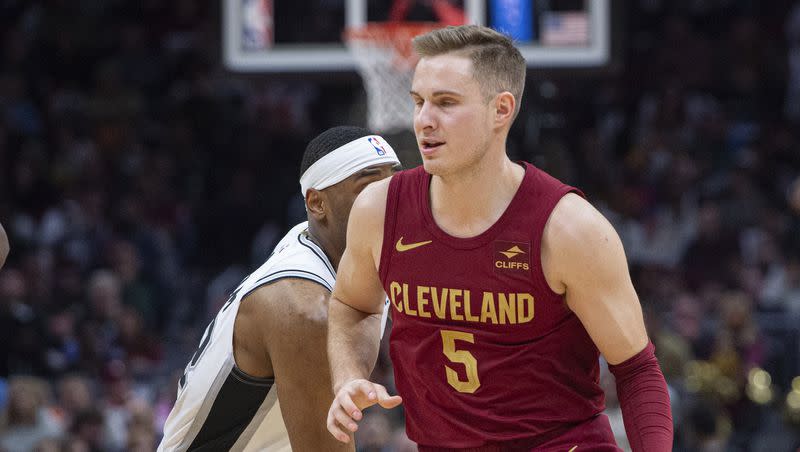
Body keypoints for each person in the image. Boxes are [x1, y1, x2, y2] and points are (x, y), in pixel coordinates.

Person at [326, 25, 673, 451]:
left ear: (501, 110)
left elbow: (637, 371)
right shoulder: (378, 210)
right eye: (418, 101)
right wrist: (348, 377)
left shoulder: (569, 230)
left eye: (446, 103)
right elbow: (352, 305)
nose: (424, 120)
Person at [159, 126, 400, 451]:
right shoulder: (304, 308)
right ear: (317, 204)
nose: (390, 197)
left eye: (395, 182)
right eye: (369, 187)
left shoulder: (342, 244)